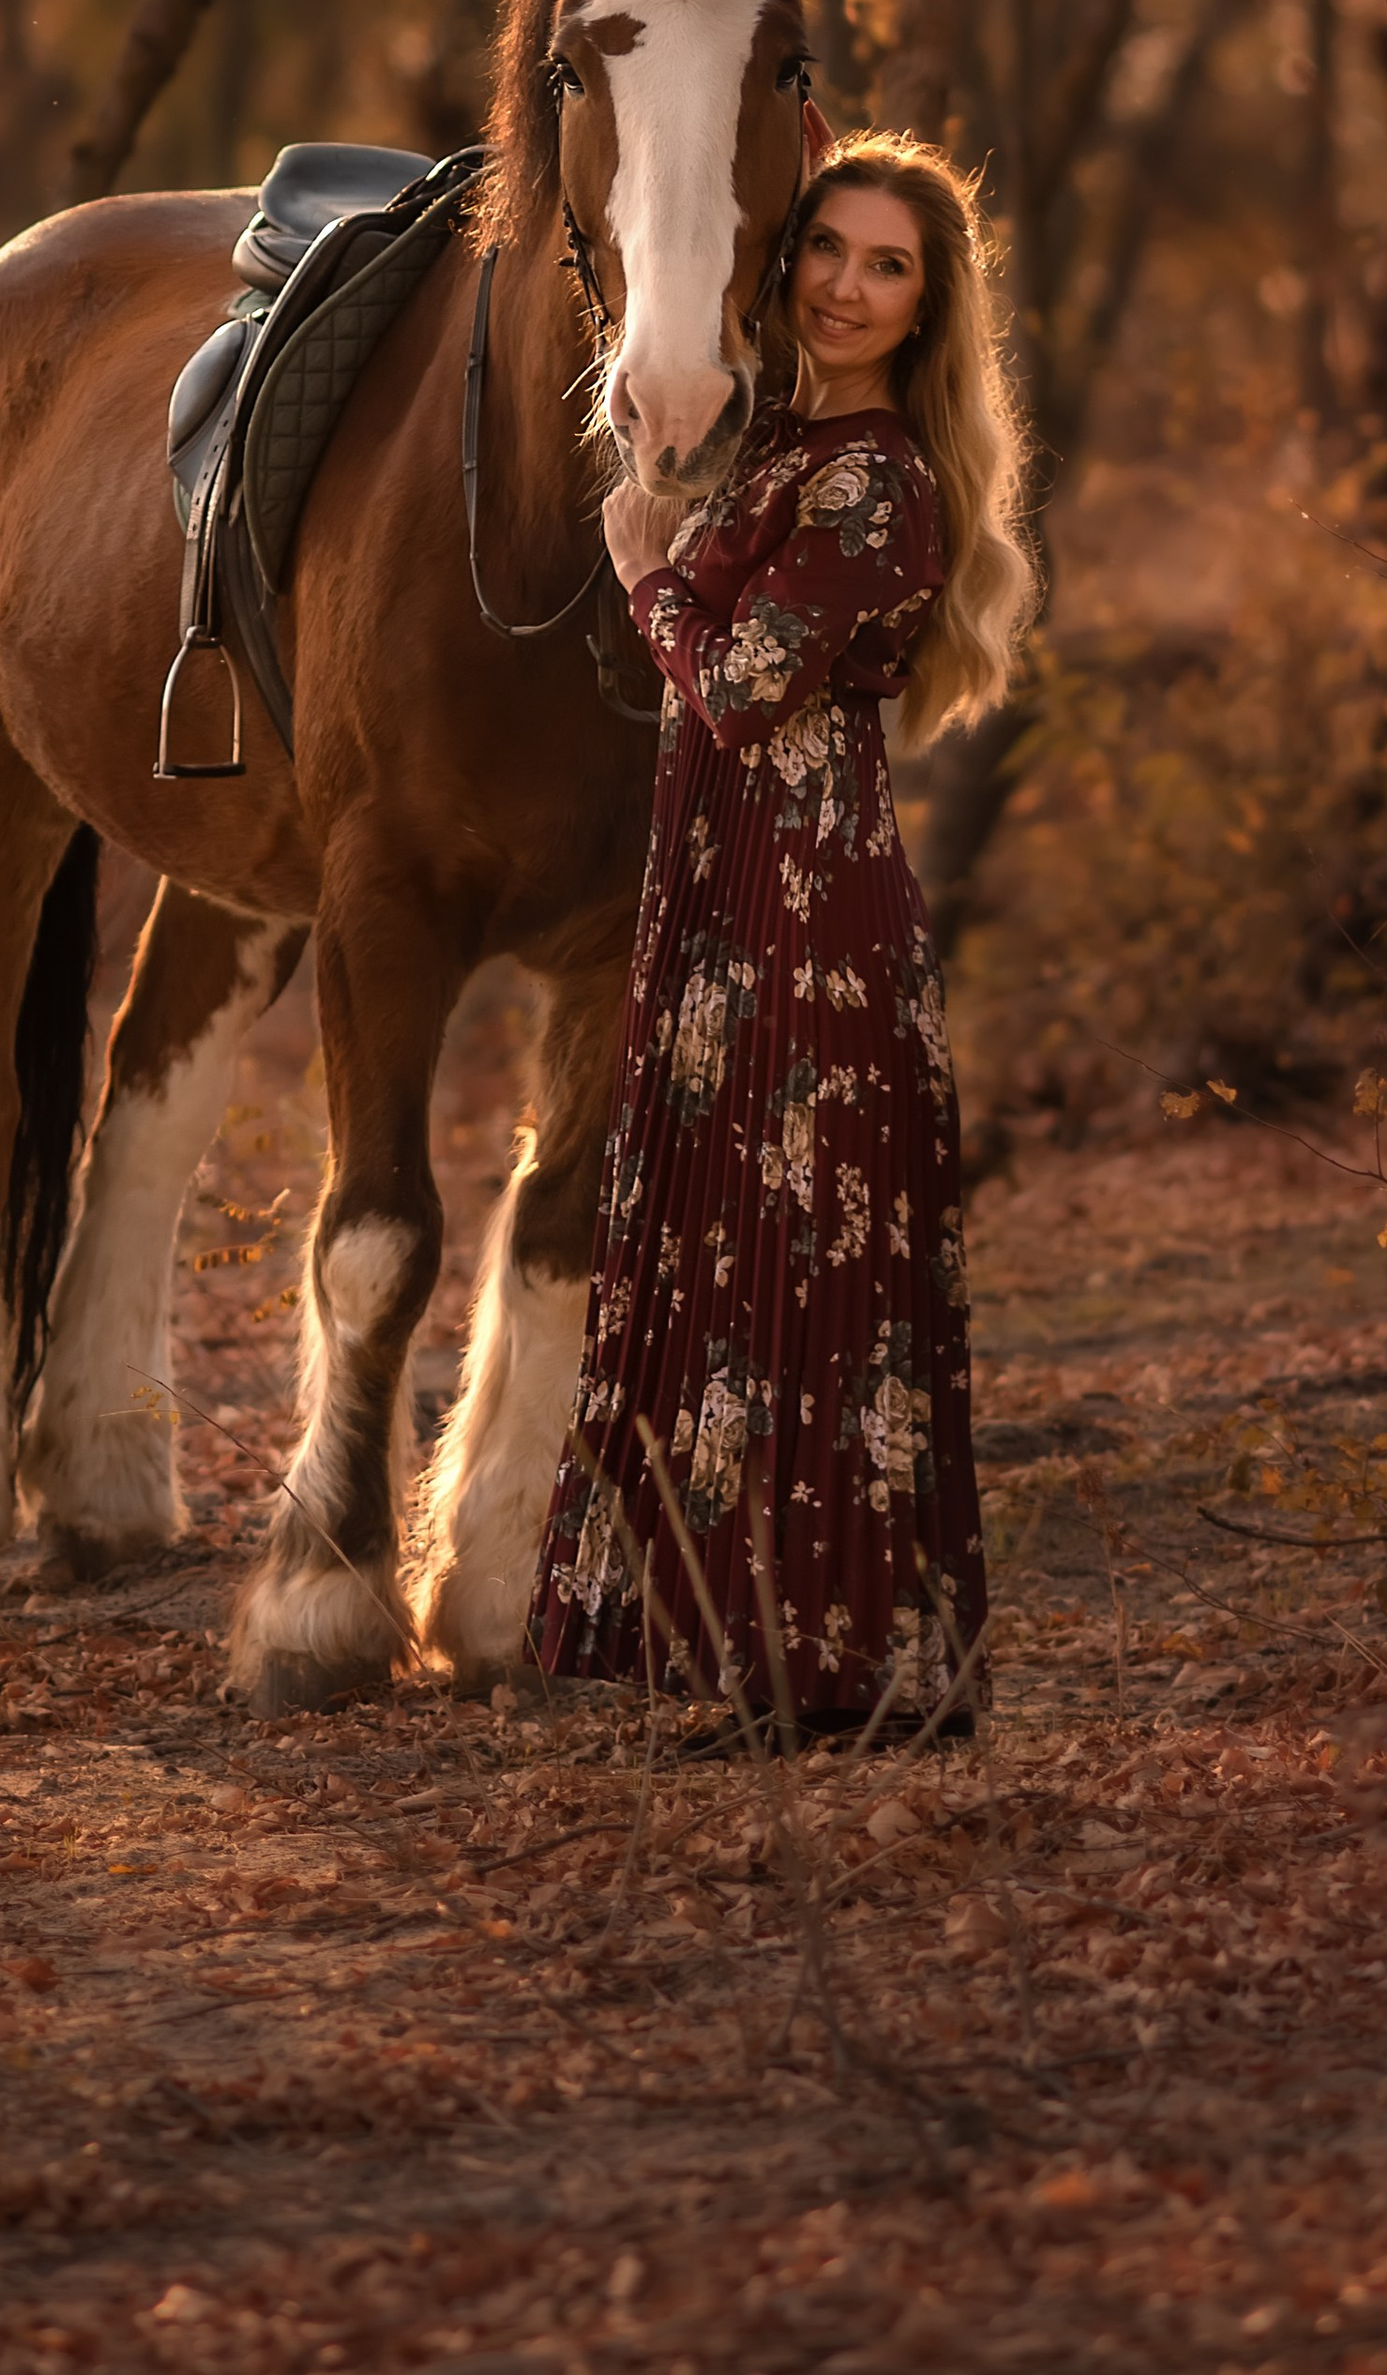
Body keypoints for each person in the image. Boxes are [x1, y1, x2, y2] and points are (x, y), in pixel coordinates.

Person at [527, 135, 1034, 1734]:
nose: (846, 286)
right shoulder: (778, 445)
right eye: (828, 248)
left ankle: (826, 1665)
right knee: (728, 1257)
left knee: (804, 1275)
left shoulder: (880, 478)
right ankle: (733, 1646)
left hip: (810, 920)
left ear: (927, 305)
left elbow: (743, 689)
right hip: (728, 899)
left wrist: (645, 575)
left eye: (889, 267)